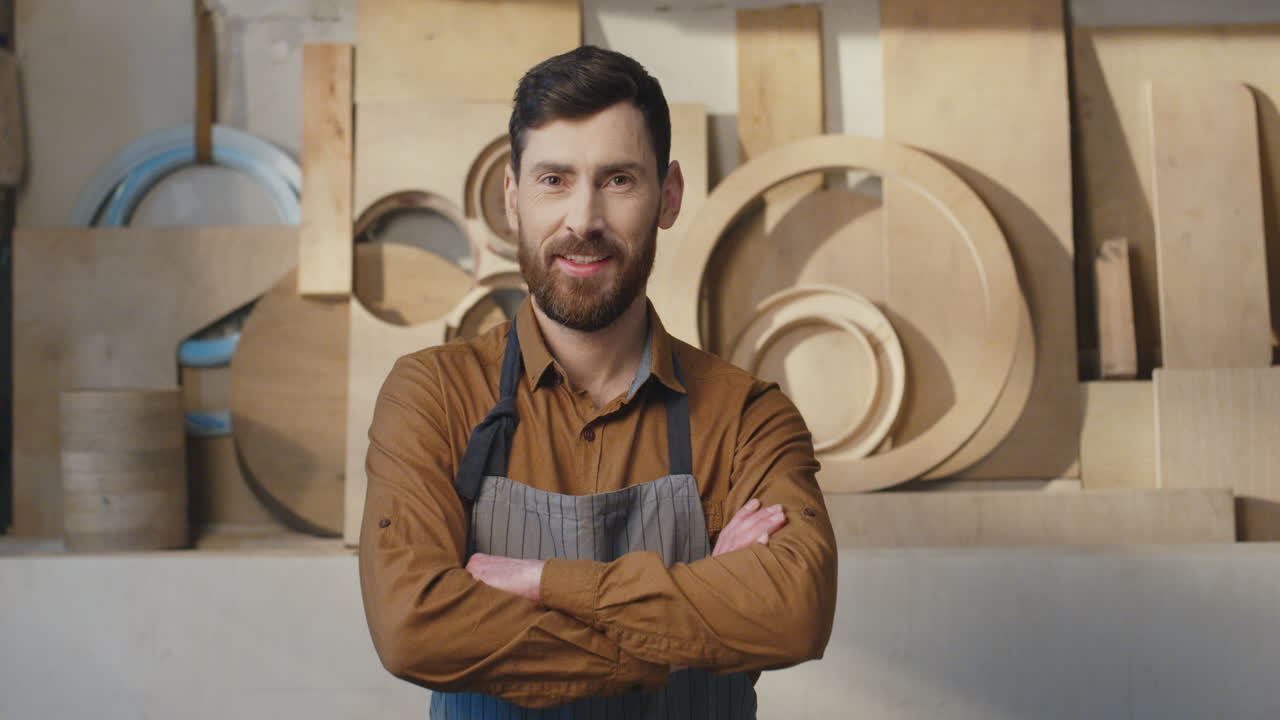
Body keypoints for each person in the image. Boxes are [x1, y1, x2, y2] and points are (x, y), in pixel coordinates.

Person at [358, 45, 837, 718]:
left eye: (617, 180)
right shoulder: (434, 397)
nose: (582, 219)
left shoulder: (746, 417)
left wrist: (535, 583)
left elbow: (793, 612)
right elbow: (412, 628)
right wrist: (686, 617)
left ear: (667, 197)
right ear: (512, 198)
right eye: (554, 179)